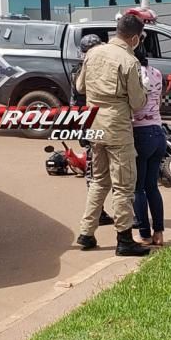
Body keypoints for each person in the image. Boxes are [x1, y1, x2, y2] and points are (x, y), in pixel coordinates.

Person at [75, 14, 149, 257]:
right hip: (117, 127)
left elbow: (80, 87)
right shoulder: (129, 61)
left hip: (94, 123)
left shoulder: (93, 53)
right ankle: (124, 239)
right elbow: (138, 103)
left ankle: (86, 233)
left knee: (99, 180)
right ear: (135, 38)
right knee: (123, 185)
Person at [70, 34, 114, 227]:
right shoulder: (84, 70)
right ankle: (98, 213)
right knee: (95, 171)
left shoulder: (80, 69)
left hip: (90, 122)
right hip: (93, 123)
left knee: (97, 170)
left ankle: (98, 212)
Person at [131, 45, 166, 246]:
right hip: (158, 131)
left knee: (138, 189)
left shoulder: (134, 75)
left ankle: (144, 234)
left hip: (140, 133)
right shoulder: (156, 73)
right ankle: (159, 233)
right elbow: (158, 101)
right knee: (152, 186)